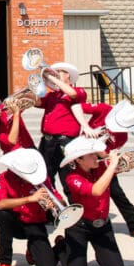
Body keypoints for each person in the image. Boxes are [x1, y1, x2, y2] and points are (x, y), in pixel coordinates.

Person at [71, 99, 134, 240]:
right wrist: (86, 127)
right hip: (81, 160)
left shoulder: (122, 136)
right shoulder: (103, 109)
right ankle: (75, 223)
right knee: (76, 193)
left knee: (118, 195)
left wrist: (108, 155)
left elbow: (107, 155)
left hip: (100, 164)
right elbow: (76, 106)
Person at [55, 136, 125, 266]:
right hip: (80, 226)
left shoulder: (101, 167)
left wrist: (117, 161)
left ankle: (102, 255)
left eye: (95, 154)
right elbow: (96, 190)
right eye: (91, 155)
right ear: (79, 160)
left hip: (102, 225)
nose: (95, 157)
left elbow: (116, 162)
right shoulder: (72, 178)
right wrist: (112, 166)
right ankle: (61, 246)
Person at [0, 147, 59, 266]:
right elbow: (0, 203)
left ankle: (52, 247)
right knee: (1, 215)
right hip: (14, 221)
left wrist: (53, 203)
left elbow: (59, 198)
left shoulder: (42, 179)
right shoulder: (4, 177)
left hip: (35, 222)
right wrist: (29, 199)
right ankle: (5, 261)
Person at [0, 91, 36, 229]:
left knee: (37, 182)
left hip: (29, 149)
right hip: (13, 156)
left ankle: (39, 215)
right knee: (13, 189)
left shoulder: (3, 108)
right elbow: (11, 140)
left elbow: (31, 99)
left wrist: (27, 94)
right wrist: (16, 114)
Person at [37, 62, 88, 193]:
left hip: (65, 141)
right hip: (48, 141)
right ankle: (53, 207)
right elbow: (36, 102)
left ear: (68, 76)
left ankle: (74, 207)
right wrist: (36, 86)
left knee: (68, 177)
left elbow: (72, 93)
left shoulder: (78, 91)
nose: (55, 74)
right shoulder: (52, 95)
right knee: (45, 176)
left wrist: (51, 77)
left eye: (59, 72)